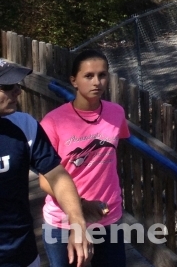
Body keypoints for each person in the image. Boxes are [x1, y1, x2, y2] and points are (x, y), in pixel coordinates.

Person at [39, 50, 131, 267]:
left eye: (102, 75)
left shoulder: (116, 113)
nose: (97, 82)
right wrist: (81, 206)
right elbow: (45, 179)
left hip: (108, 216)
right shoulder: (53, 122)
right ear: (74, 81)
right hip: (63, 222)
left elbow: (116, 151)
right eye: (88, 76)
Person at [0, 59, 90, 267]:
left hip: (21, 253)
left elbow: (56, 175)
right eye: (7, 87)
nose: (17, 91)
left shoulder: (25, 125)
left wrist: (77, 222)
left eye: (17, 85)